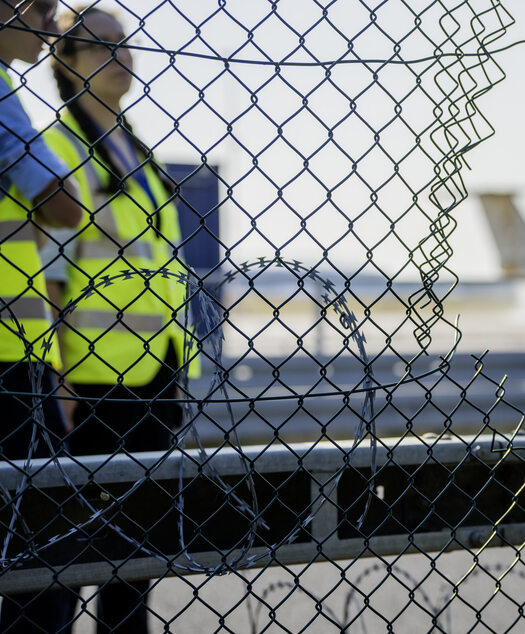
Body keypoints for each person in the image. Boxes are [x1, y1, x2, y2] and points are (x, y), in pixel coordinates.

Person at [42, 6, 197, 632]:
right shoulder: (56, 147)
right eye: (101, 45)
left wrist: (177, 365)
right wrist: (56, 378)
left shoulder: (138, 152)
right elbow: (48, 274)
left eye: (125, 43)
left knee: (135, 559)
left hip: (154, 375)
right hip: (89, 383)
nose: (121, 55)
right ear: (67, 61)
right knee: (60, 560)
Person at [0, 0, 83, 632]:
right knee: (47, 561)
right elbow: (62, 203)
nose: (54, 25)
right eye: (46, 7)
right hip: (10, 365)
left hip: (28, 356)